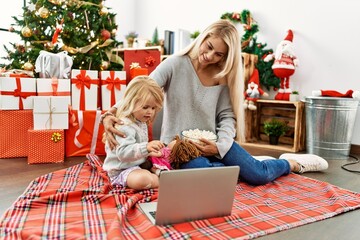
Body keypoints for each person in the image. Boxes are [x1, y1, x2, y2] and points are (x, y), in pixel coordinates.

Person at [102, 19, 328, 186]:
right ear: (203, 38)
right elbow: (141, 90)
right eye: (209, 47)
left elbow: (227, 117)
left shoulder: (223, 76)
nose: (210, 56)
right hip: (180, 149)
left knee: (258, 177)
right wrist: (111, 113)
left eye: (219, 54)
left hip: (213, 143)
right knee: (203, 177)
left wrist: (219, 146)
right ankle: (249, 164)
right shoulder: (174, 64)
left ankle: (290, 163)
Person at [102, 76, 165, 190]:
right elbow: (123, 153)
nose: (150, 112)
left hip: (135, 165)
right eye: (145, 107)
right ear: (131, 102)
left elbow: (137, 147)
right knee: (143, 180)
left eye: (153, 108)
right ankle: (163, 180)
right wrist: (146, 147)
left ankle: (158, 175)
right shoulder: (124, 125)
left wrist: (149, 152)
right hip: (120, 171)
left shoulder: (139, 121)